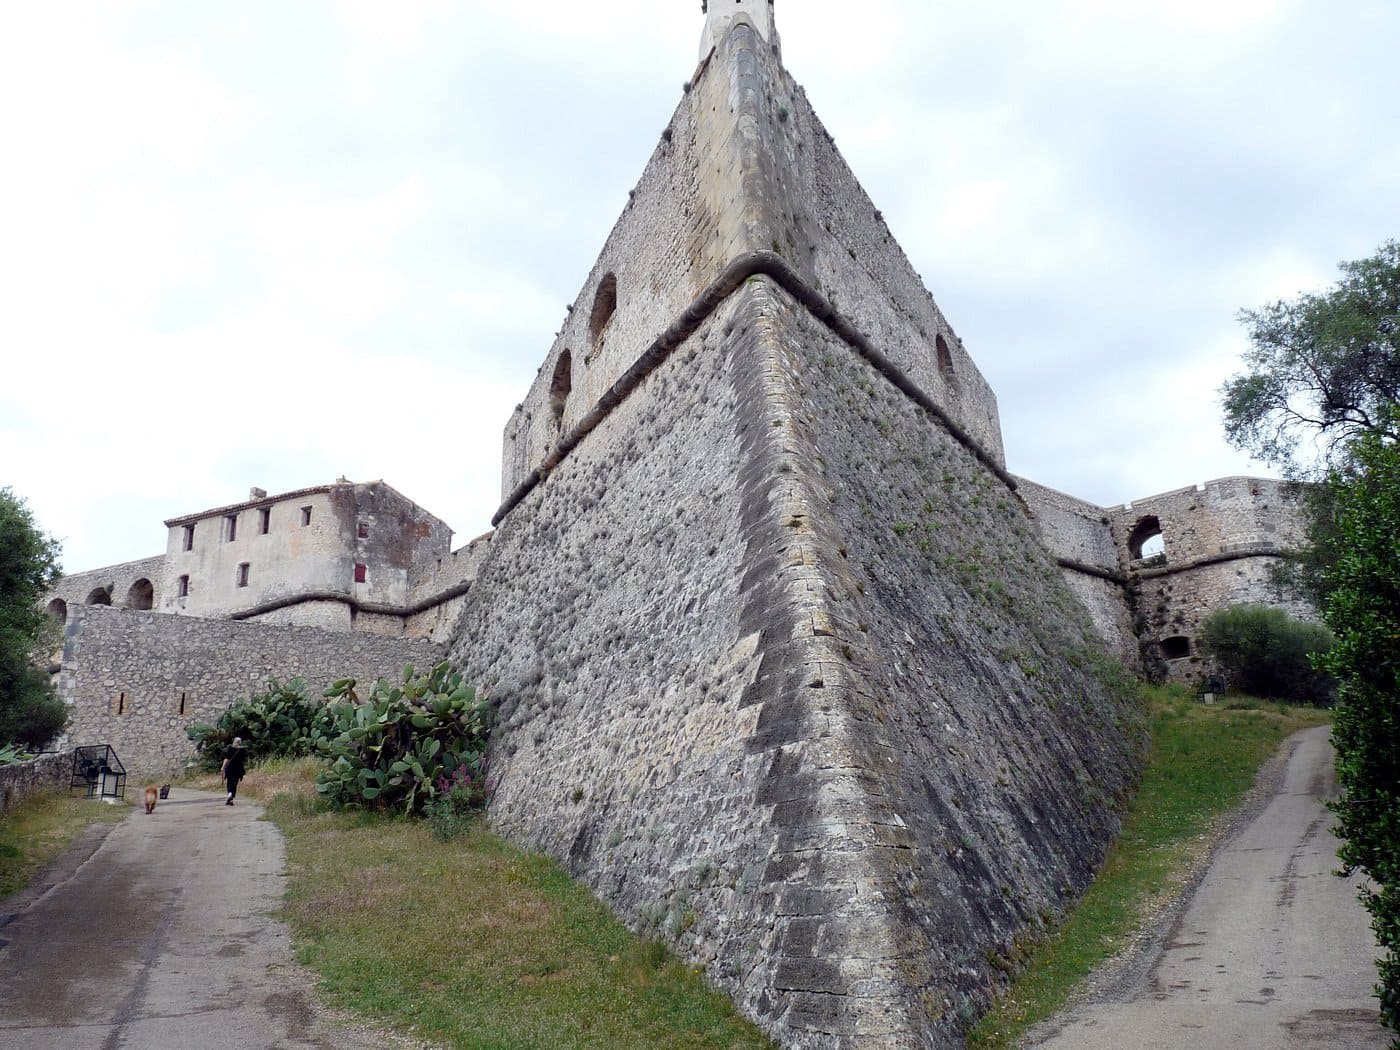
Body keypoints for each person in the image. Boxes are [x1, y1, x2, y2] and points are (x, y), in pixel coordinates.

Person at [221, 737, 247, 806]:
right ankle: (231, 798)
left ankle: (230, 794)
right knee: (235, 784)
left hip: (230, 768)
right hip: (238, 768)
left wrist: (223, 768)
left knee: (229, 783)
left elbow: (227, 759)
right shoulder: (242, 750)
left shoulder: (230, 749)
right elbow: (244, 759)